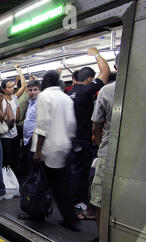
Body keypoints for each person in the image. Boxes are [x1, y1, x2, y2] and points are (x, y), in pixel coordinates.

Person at [31, 71, 79, 230]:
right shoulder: (65, 97)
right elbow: (72, 124)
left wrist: (38, 151)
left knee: (49, 183)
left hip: (48, 148)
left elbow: (42, 126)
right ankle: (67, 217)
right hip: (64, 145)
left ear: (45, 82)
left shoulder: (44, 96)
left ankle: (38, 213)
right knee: (57, 183)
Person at [83, 54, 119, 242]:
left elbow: (96, 126)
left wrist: (98, 146)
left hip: (108, 153)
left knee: (100, 201)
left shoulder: (107, 91)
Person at [67, 47, 110, 212]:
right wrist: (97, 55)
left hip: (69, 139)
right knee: (80, 172)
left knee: (72, 170)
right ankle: (76, 201)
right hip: (82, 140)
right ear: (90, 79)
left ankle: (70, 199)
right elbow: (105, 72)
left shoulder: (68, 93)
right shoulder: (86, 91)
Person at [0, 64, 26, 177]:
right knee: (8, 158)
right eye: (9, 87)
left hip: (14, 133)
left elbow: (23, 86)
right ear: (4, 90)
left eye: (12, 86)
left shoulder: (14, 98)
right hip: (5, 135)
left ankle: (14, 177)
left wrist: (20, 71)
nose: (12, 88)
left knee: (15, 156)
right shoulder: (1, 100)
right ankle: (7, 178)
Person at [21, 80, 41, 176]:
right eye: (30, 90)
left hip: (35, 139)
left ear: (40, 91)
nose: (32, 92)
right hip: (28, 139)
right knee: (30, 165)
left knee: (35, 166)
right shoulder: (31, 103)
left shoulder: (40, 103)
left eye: (35, 90)